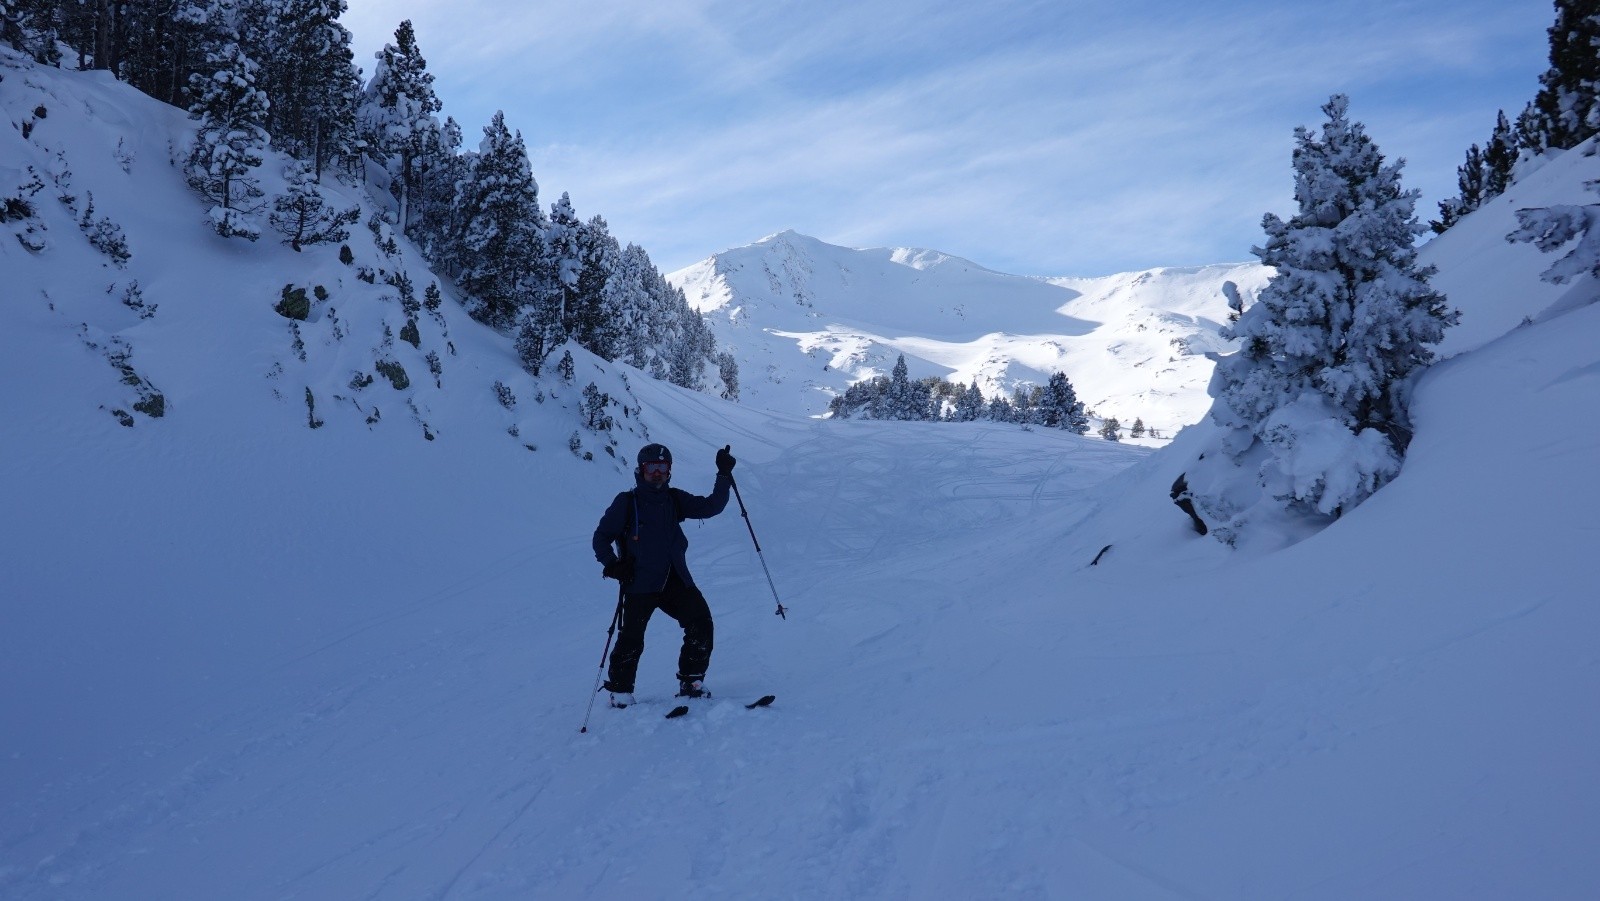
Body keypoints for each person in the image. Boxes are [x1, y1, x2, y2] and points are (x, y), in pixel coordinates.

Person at [592, 442, 737, 708]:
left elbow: (711, 507)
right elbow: (601, 537)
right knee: (631, 637)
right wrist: (612, 564)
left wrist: (723, 475)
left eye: (663, 467)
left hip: (674, 578)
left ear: (669, 470)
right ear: (641, 470)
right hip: (639, 582)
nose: (657, 473)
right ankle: (620, 691)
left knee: (701, 622)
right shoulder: (626, 502)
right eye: (651, 467)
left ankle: (691, 681)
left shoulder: (674, 499)